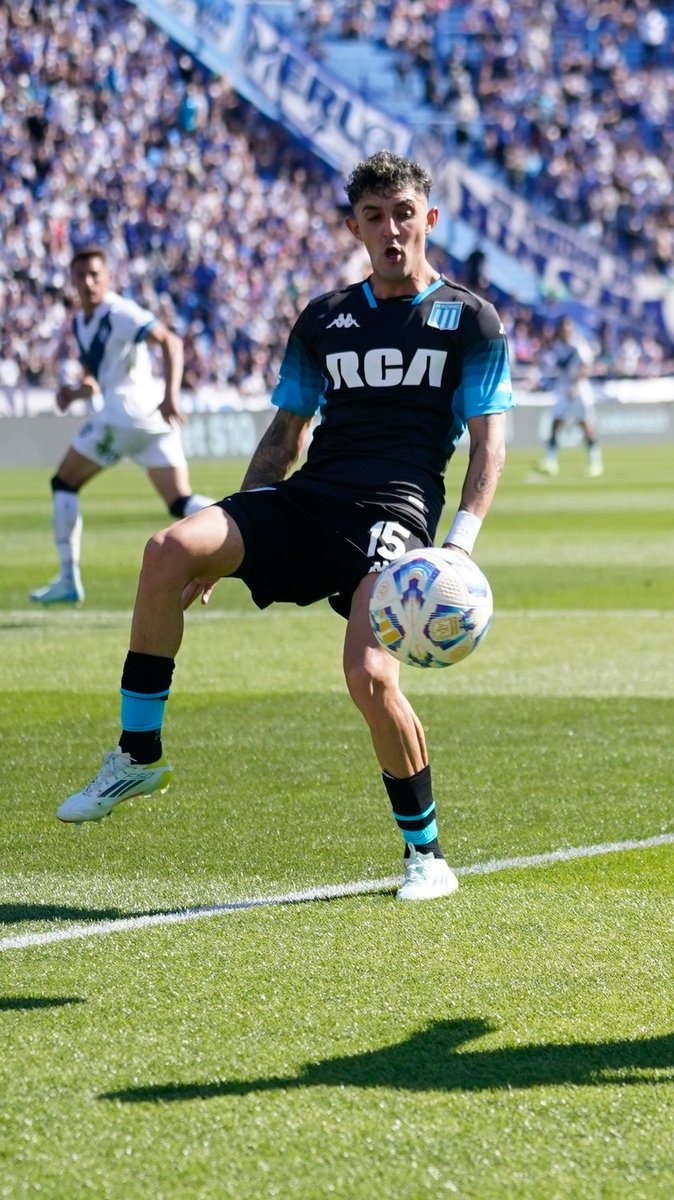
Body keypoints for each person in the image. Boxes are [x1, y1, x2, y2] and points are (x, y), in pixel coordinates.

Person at [55, 151, 513, 902]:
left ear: (429, 219)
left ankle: (427, 855)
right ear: (354, 228)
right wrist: (230, 529)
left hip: (395, 515)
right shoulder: (325, 318)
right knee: (169, 548)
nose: (391, 229)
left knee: (370, 677)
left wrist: (458, 544)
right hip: (310, 498)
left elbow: (490, 445)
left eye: (404, 213)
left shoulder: (469, 320)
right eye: (374, 216)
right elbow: (285, 436)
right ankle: (138, 756)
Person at [29, 247, 213, 607]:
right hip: (153, 421)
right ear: (72, 281)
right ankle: (245, 527)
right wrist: (74, 393)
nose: (88, 282)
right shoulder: (81, 323)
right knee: (180, 501)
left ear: (107, 278)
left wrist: (171, 395)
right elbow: (96, 381)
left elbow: (171, 341)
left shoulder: (119, 312)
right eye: (81, 276)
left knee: (63, 482)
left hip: (125, 415)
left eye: (95, 275)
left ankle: (68, 580)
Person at [535, 315, 602, 477]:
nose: (566, 330)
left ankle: (595, 461)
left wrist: (574, 385)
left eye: (568, 327)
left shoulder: (579, 345)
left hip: (579, 389)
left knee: (584, 423)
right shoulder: (557, 346)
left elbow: (585, 368)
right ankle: (551, 460)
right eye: (564, 327)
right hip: (563, 388)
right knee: (556, 422)